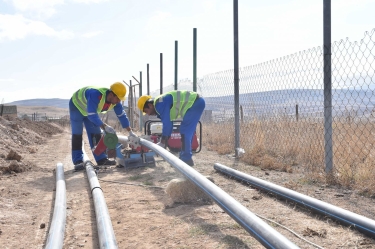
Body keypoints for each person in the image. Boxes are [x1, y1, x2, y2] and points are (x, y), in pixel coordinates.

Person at [69, 82, 137, 170]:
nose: (119, 101)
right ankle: (78, 161)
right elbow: (92, 115)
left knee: (96, 133)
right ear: (111, 94)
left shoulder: (115, 102)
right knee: (77, 134)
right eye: (118, 98)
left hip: (90, 111)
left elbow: (122, 115)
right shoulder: (96, 95)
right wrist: (105, 126)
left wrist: (130, 131)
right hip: (76, 107)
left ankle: (101, 158)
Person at [137, 90, 205, 166]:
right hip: (196, 102)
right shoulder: (160, 102)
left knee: (185, 131)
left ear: (150, 105)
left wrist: (162, 142)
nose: (148, 114)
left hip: (195, 103)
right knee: (187, 131)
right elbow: (169, 123)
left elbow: (167, 124)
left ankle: (186, 160)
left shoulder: (160, 104)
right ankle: (185, 157)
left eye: (146, 111)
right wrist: (164, 139)